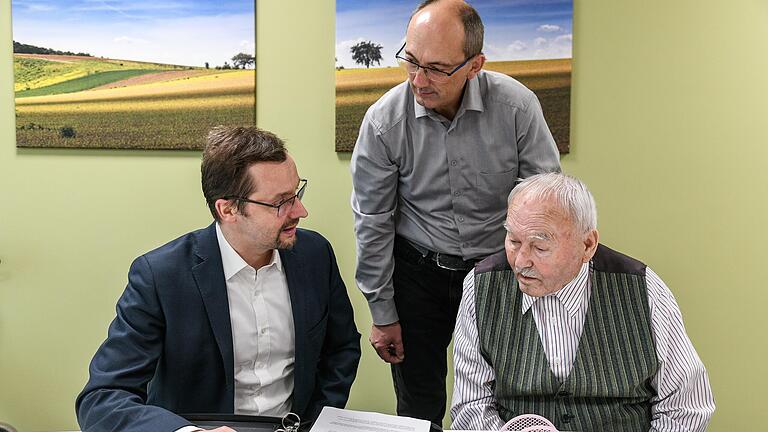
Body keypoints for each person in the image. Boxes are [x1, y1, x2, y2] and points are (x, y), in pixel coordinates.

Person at [350, 0, 560, 424]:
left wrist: (545, 290)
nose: (418, 80)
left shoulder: (517, 108)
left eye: (437, 68)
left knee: (511, 400)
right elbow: (372, 222)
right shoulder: (383, 122)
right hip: (417, 275)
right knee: (418, 407)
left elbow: (546, 201)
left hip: (500, 273)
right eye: (410, 61)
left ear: (475, 64)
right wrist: (383, 312)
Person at [76, 126, 361, 432]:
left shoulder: (315, 255)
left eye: (297, 193)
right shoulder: (161, 276)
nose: (301, 211)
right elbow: (102, 399)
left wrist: (316, 422)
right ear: (227, 209)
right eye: (281, 202)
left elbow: (341, 348)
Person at [451, 173, 715, 431]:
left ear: (588, 245)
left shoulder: (643, 288)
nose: (520, 262)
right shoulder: (481, 287)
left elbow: (687, 406)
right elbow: (471, 407)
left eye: (540, 247)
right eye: (513, 241)